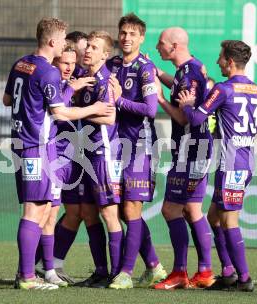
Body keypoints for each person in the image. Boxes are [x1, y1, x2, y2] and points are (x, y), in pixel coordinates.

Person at [3, 18, 113, 290]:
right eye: (63, 40)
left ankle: (31, 273)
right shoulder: (48, 72)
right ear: (53, 42)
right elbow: (61, 113)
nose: (66, 45)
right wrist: (94, 108)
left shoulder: (21, 64)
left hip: (23, 143)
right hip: (38, 147)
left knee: (41, 211)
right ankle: (27, 277)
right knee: (35, 211)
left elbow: (7, 100)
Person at [177, 40, 257, 292]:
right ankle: (227, 272)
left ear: (229, 61)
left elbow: (196, 119)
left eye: (220, 57)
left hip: (232, 163)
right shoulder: (256, 89)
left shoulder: (224, 89)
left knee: (229, 220)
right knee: (214, 217)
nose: (217, 61)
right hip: (246, 160)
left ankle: (245, 278)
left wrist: (186, 104)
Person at [105, 13, 167, 290]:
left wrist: (119, 101)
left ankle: (126, 273)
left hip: (140, 146)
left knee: (131, 208)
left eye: (132, 33)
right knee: (120, 210)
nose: (126, 38)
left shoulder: (145, 68)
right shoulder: (113, 64)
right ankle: (153, 265)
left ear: (142, 38)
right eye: (123, 33)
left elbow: (151, 110)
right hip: (116, 146)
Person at [152, 27, 215, 290]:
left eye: (161, 43)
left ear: (175, 45)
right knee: (192, 210)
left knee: (170, 210)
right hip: (200, 149)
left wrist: (160, 99)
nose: (158, 47)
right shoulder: (191, 68)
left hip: (190, 152)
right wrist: (158, 73)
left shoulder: (188, 74)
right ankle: (205, 271)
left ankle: (179, 272)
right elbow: (181, 86)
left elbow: (181, 117)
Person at [34, 42, 99, 285]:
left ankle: (48, 267)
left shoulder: (69, 82)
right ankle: (33, 270)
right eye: (66, 62)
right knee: (43, 215)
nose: (71, 67)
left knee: (60, 214)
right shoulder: (54, 84)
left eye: (74, 63)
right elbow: (59, 114)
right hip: (52, 157)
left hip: (69, 158)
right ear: (55, 61)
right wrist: (76, 93)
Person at [73, 30, 124, 288]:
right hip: (85, 155)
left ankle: (118, 274)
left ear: (105, 54)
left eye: (94, 47)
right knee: (88, 213)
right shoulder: (84, 78)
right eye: (88, 46)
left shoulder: (104, 81)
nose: (88, 50)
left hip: (104, 155)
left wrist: (77, 113)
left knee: (108, 213)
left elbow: (110, 117)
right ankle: (101, 271)